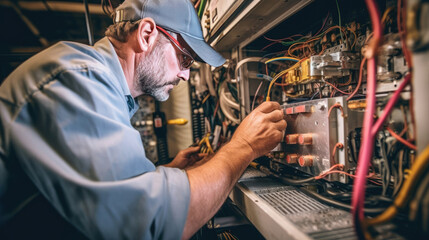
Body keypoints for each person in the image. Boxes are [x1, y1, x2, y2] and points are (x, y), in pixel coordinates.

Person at [0, 0, 287, 239]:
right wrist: (245, 146)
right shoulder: (76, 81)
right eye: (185, 58)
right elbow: (150, 225)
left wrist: (165, 172)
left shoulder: (100, 86)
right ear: (147, 34)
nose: (186, 75)